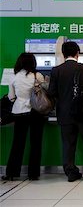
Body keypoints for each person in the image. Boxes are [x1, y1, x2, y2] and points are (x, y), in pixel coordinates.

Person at [48, 41, 83, 182]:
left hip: (65, 114)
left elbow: (52, 92)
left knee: (68, 144)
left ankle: (71, 173)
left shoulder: (56, 70)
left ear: (63, 54)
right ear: (77, 53)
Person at [2, 53, 47, 181]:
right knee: (35, 143)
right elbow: (45, 91)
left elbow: (11, 97)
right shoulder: (37, 76)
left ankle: (11, 172)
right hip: (36, 112)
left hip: (19, 112)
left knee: (17, 144)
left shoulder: (14, 77)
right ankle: (33, 174)